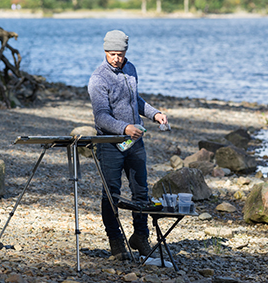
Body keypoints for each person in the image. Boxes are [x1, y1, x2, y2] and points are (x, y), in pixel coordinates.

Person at [88, 30, 168, 260]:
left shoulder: (130, 69)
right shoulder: (98, 79)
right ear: (105, 52)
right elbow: (101, 117)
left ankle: (140, 236)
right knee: (111, 193)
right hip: (110, 142)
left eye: (120, 54)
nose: (116, 58)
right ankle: (116, 241)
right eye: (112, 54)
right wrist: (124, 128)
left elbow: (135, 100)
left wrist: (154, 114)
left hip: (135, 141)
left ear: (125, 53)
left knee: (141, 190)